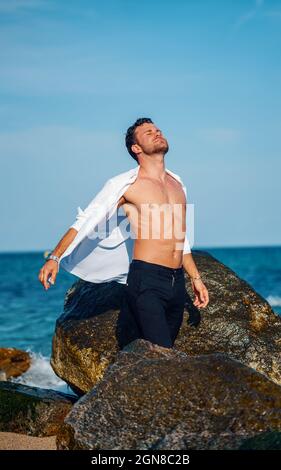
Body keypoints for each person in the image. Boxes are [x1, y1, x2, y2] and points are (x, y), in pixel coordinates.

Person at [38, 117, 209, 349]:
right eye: (148, 133)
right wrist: (55, 257)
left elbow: (181, 238)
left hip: (176, 283)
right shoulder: (126, 184)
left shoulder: (177, 183)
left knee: (163, 357)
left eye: (158, 129)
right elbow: (87, 219)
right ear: (136, 148)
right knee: (162, 354)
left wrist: (195, 278)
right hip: (146, 280)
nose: (157, 133)